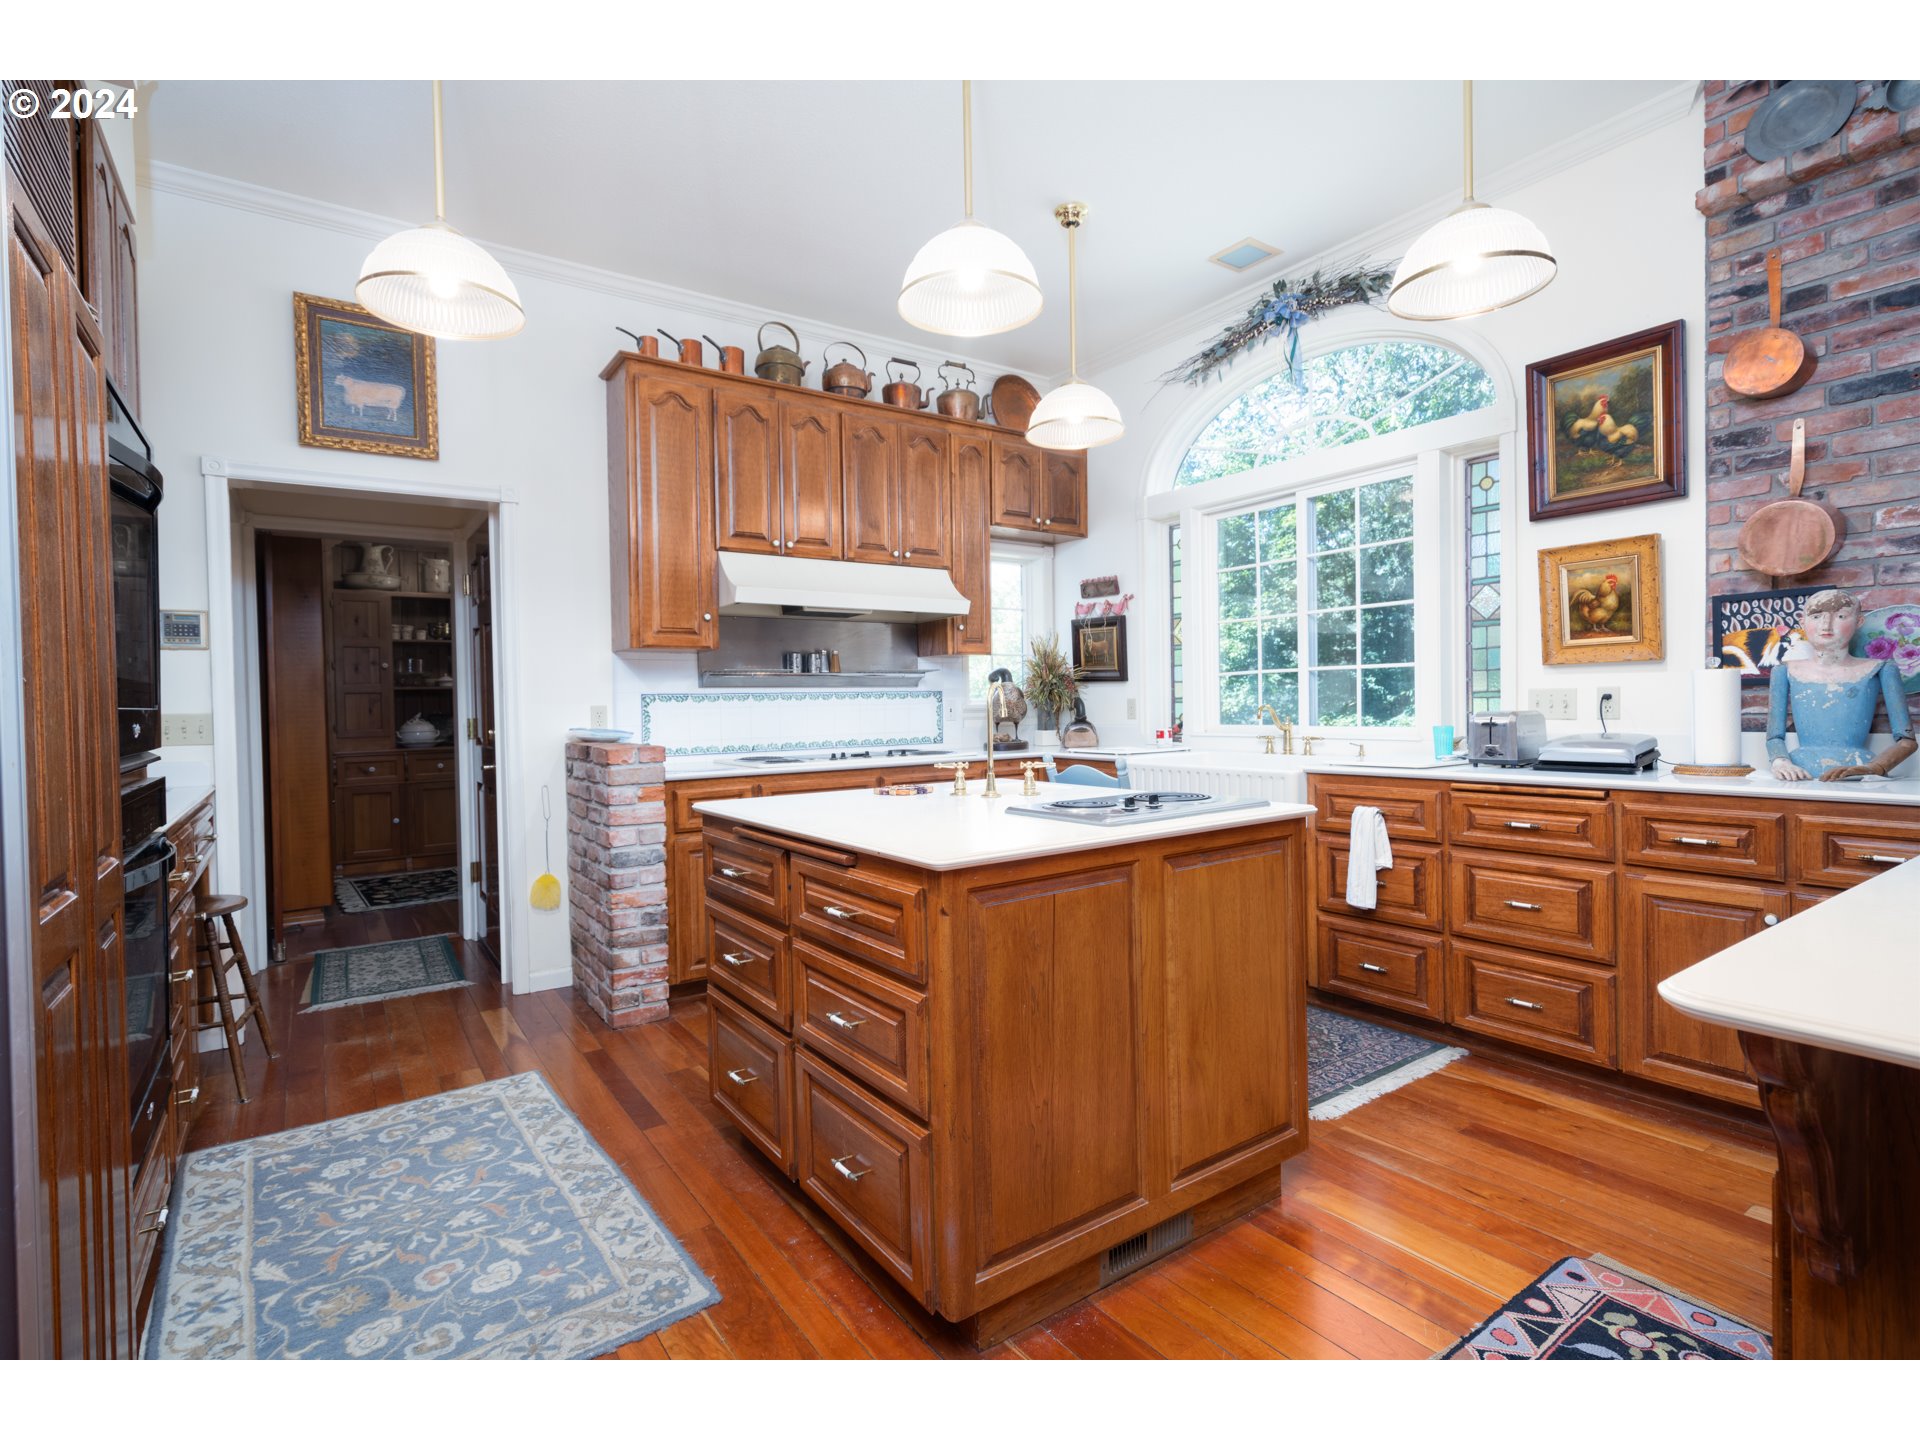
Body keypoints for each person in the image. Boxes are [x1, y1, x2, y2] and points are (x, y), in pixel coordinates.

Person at [1766, 588, 1917, 781]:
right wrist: (1780, 761)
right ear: (1803, 623)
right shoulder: (1784, 670)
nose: (1826, 625)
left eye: (1841, 616)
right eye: (1816, 616)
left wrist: (1875, 767)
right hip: (1799, 774)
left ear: (1859, 622)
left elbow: (1907, 741)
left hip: (1858, 773)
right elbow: (1774, 736)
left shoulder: (1880, 668)